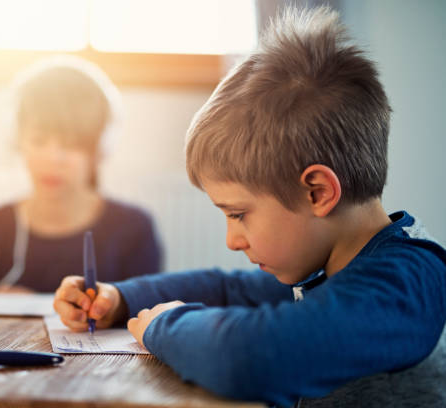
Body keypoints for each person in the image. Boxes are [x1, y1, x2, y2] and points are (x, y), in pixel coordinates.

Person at [52, 7, 446, 407]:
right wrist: (118, 299)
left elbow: (248, 359)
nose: (232, 240)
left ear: (318, 192)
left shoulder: (407, 282)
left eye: (238, 214)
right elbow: (228, 289)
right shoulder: (329, 267)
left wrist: (164, 326)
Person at [0, 56, 162, 293]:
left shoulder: (133, 230)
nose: (53, 159)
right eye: (38, 141)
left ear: (99, 149)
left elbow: (149, 319)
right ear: (18, 140)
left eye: (71, 145)